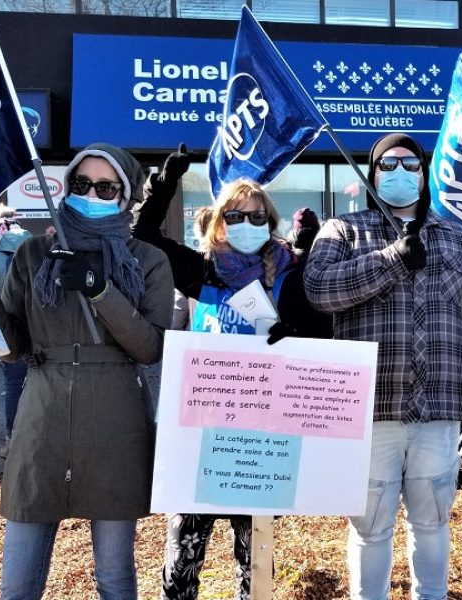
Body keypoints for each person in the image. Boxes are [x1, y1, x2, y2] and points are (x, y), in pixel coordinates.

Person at [0, 142, 174, 599]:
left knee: (114, 577)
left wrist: (101, 291)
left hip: (116, 424)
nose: (91, 192)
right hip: (42, 417)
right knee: (17, 581)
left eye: (105, 186)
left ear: (124, 194)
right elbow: (11, 347)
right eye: (80, 183)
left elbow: (150, 347)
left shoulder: (148, 259)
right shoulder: (34, 254)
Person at [304, 133, 462, 600]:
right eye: (388, 164)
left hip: (440, 407)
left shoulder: (458, 238)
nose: (400, 173)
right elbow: (319, 290)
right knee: (371, 526)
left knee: (433, 521)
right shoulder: (342, 231)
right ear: (373, 173)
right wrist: (392, 260)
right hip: (370, 409)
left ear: (424, 173)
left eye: (410, 165)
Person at [131, 146, 329, 600]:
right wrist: (163, 186)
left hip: (260, 439)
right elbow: (143, 236)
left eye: (257, 217)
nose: (247, 225)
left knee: (254, 559)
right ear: (220, 223)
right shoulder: (205, 272)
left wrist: (294, 333)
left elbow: (324, 341)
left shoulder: (290, 277)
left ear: (271, 223)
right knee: (182, 556)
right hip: (200, 436)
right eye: (236, 216)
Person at [0, 205, 33, 459]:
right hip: (41, 330)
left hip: (5, 333)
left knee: (14, 384)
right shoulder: (39, 254)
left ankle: (12, 440)